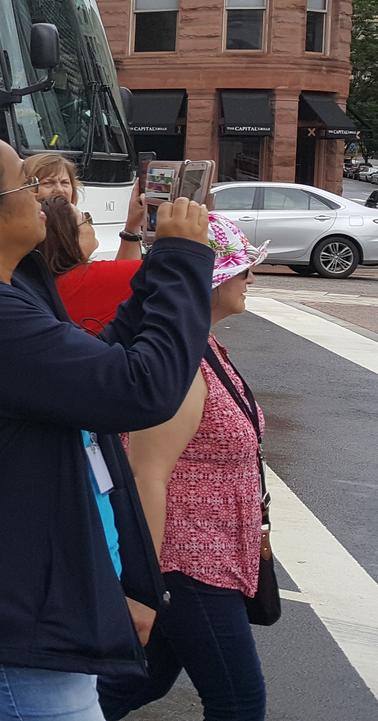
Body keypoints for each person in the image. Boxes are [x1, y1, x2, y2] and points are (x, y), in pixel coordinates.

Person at [0, 123, 216, 721]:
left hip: (28, 609)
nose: (43, 196)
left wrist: (151, 255)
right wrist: (184, 259)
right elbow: (141, 388)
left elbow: (97, 364)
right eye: (24, 185)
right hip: (12, 627)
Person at [99, 216, 269, 721]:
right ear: (211, 280)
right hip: (185, 562)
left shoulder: (202, 346)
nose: (251, 280)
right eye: (243, 270)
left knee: (132, 687)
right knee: (239, 701)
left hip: (205, 556)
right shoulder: (185, 365)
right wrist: (143, 589)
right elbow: (145, 474)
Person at [39, 196, 143, 335]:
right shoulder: (84, 278)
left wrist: (133, 225)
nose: (91, 225)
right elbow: (157, 269)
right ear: (69, 236)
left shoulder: (43, 282)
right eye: (86, 218)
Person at [25, 152, 146, 261]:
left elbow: (121, 274)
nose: (60, 190)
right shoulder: (24, 238)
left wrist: (133, 224)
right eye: (48, 183)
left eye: (65, 183)